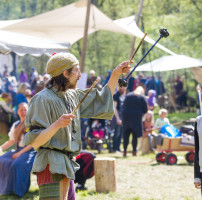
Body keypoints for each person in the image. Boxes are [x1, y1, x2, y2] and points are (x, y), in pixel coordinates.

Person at [22, 52, 130, 200]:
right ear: (65, 73)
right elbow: (35, 141)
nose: (80, 75)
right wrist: (57, 125)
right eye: (76, 70)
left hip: (67, 165)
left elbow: (102, 99)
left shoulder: (72, 95)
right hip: (50, 165)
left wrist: (116, 74)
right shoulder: (42, 99)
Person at [0, 103, 36, 197]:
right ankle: (3, 188)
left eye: (25, 110)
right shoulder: (16, 124)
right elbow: (11, 141)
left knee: (18, 164)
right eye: (21, 110)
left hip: (30, 152)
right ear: (17, 112)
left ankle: (19, 191)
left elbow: (33, 144)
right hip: (18, 150)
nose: (23, 112)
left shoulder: (32, 123)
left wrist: (19, 153)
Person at [122, 86, 148, 157]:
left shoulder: (128, 95)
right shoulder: (142, 97)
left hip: (126, 117)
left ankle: (124, 151)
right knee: (135, 135)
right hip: (136, 118)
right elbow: (145, 109)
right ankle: (134, 151)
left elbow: (123, 106)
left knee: (126, 135)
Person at [112, 85, 126, 153]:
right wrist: (117, 118)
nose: (123, 88)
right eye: (122, 87)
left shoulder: (125, 95)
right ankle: (115, 148)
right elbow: (114, 108)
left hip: (123, 116)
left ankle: (119, 147)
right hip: (117, 115)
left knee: (121, 133)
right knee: (117, 133)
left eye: (124, 86)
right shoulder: (116, 95)